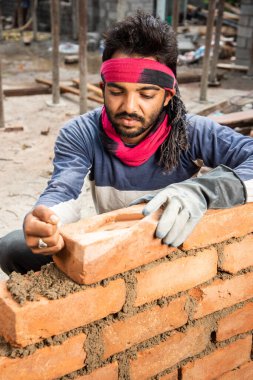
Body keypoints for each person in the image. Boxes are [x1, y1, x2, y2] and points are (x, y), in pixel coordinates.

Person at [1, 11, 253, 275]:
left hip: (175, 250)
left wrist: (202, 191)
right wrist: (46, 221)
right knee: (13, 247)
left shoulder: (193, 132)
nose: (129, 107)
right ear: (103, 88)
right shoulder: (82, 132)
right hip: (113, 248)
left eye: (146, 94)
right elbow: (64, 191)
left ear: (167, 97)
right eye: (117, 91)